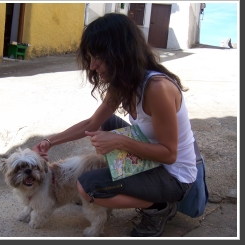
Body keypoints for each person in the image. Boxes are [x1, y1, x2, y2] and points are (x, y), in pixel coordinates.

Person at [32, 13, 197, 237]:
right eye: (90, 58)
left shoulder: (157, 88)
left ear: (120, 52)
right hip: (149, 159)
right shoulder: (124, 82)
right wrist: (49, 141)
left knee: (86, 187)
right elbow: (92, 123)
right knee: (106, 123)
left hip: (174, 175)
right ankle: (120, 184)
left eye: (97, 58)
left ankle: (158, 207)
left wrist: (119, 141)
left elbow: (169, 154)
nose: (93, 66)